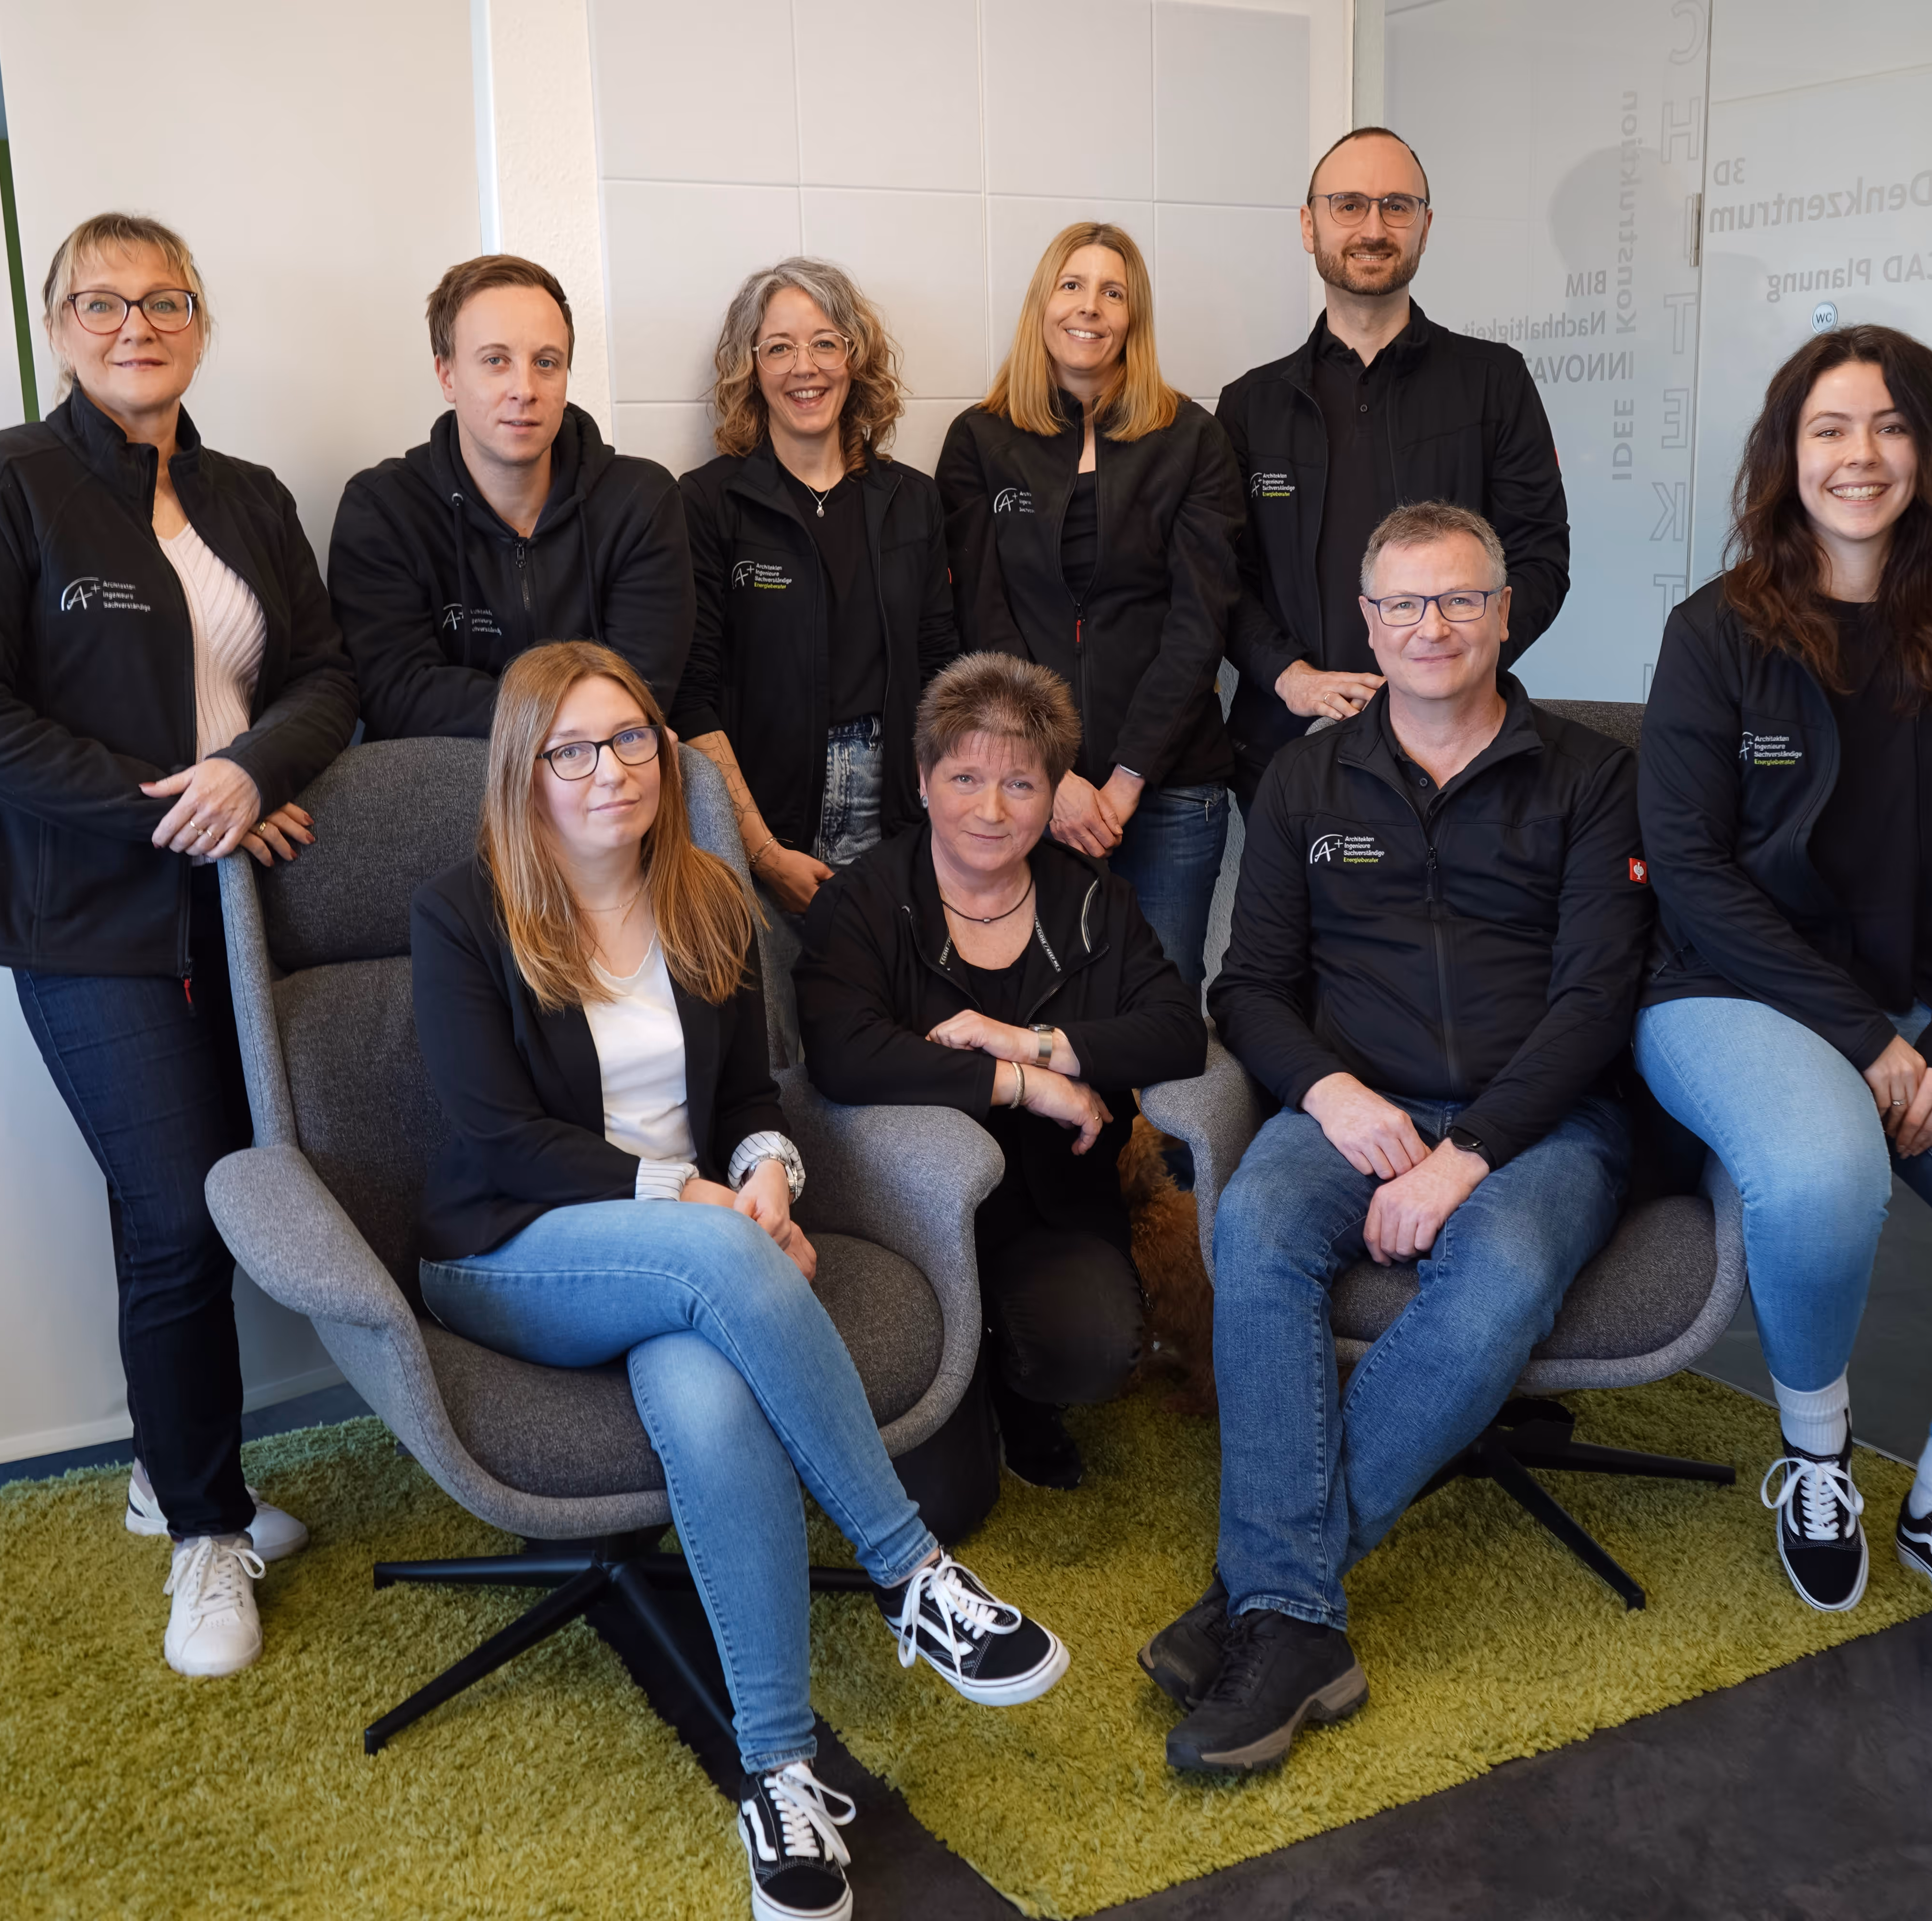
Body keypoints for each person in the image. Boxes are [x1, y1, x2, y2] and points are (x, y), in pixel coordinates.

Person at [410, 640, 1067, 1921]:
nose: (613, 771)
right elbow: (496, 1133)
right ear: (524, 772)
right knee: (713, 1259)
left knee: (710, 1399)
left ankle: (777, 1772)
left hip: (690, 1261)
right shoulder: (464, 910)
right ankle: (912, 1574)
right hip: (513, 1248)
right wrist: (707, 1207)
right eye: (575, 750)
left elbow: (758, 1101)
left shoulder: (705, 894)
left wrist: (767, 1181)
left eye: (635, 740)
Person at [0, 212, 357, 1678]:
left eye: (165, 300)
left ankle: (170, 1465)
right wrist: (180, 805)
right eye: (102, 301)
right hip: (88, 921)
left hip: (241, 913)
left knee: (210, 1199)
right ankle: (203, 1533)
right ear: (58, 322)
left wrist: (254, 777)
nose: (136, 324)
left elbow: (324, 675)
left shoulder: (247, 495)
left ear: (202, 321)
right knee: (175, 1213)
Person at [1141, 501, 1654, 1775]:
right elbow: (1248, 985)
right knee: (1254, 1232)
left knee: (1502, 1278)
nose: (1432, 627)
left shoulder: (1594, 780)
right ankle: (1297, 1616)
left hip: (1542, 1125)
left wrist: (1469, 1153)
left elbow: (1600, 1000)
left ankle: (1271, 1600)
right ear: (1367, 625)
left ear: (1504, 614)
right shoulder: (1306, 779)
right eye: (1404, 605)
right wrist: (1330, 1093)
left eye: (1459, 600)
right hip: (1356, 1106)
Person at [1633, 324, 1932, 1664]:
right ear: (1788, 455)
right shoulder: (1716, 632)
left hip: (1924, 1007)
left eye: (1890, 427)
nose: (1860, 456)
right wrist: (1859, 1041)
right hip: (1730, 994)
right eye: (1830, 428)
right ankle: (1820, 1451)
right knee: (1828, 1168)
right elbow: (1689, 868)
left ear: (1931, 453)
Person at [796, 655, 1206, 1489]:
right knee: (947, 1499)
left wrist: (1033, 1044)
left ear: (1053, 793)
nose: (989, 809)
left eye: (1020, 786)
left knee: (1092, 1350)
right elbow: (841, 1053)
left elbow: (1175, 1035)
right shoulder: (864, 901)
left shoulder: (1095, 900)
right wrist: (1023, 1086)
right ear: (921, 781)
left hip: (1056, 1211)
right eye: (964, 777)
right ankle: (964, 1377)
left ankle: (1017, 1378)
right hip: (901, 1216)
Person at [1216, 127, 1572, 808]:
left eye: (1397, 207)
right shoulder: (1250, 406)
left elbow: (1539, 559)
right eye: (1348, 204)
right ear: (1308, 224)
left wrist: (1447, 676)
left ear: (1426, 227)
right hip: (1285, 752)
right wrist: (1290, 677)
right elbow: (1224, 582)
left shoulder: (1494, 383)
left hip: (1459, 753)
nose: (1373, 227)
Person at [938, 222, 1246, 987]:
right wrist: (1056, 772)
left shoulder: (1193, 438)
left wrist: (1127, 780)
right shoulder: (979, 440)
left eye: (1114, 292)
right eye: (1073, 286)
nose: (1091, 307)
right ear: (1043, 303)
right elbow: (983, 620)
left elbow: (1198, 623)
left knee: (1158, 1009)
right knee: (1044, 1007)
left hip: (1172, 789)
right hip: (1028, 787)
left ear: (1134, 317)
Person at [673, 258, 961, 919]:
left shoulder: (913, 501)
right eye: (779, 348)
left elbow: (944, 663)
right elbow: (689, 697)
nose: (805, 367)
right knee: (774, 1019)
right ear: (752, 369)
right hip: (755, 818)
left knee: (876, 1010)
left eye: (826, 343)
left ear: (855, 359)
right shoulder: (708, 504)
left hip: (896, 813)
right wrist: (764, 853)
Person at [330, 255, 692, 738]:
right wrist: (585, 717)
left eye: (546, 363)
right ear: (447, 376)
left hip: (596, 801)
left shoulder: (641, 503)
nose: (524, 389)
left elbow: (643, 690)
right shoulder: (383, 510)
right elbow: (397, 695)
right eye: (496, 361)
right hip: (444, 795)